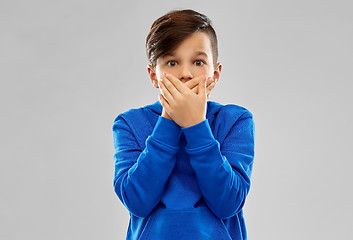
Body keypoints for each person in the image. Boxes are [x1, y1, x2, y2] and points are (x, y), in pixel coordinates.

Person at [112, 9, 255, 240]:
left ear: (215, 74)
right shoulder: (129, 123)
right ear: (153, 75)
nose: (185, 74)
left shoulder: (235, 120)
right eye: (172, 62)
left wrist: (196, 125)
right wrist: (169, 117)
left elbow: (228, 203)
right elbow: (136, 201)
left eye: (198, 62)